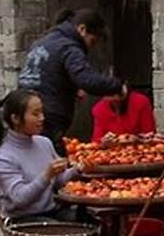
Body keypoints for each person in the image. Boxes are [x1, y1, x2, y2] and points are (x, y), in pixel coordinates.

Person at [18, 8, 123, 155]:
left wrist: (72, 87)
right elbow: (87, 79)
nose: (90, 48)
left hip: (24, 109)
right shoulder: (69, 47)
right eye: (92, 42)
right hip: (47, 115)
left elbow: (49, 74)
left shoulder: (42, 42)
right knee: (52, 162)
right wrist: (117, 86)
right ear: (82, 29)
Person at [0, 89, 84, 223]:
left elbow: (58, 181)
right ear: (16, 119)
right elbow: (19, 198)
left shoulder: (44, 143)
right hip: (23, 219)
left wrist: (78, 169)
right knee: (64, 233)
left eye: (42, 112)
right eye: (35, 114)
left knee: (92, 220)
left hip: (52, 212)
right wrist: (46, 175)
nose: (42, 118)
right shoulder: (5, 157)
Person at [91, 80, 156, 143]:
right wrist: (104, 141)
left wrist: (137, 139)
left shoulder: (141, 102)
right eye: (112, 100)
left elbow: (150, 134)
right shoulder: (99, 109)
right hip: (111, 150)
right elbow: (97, 140)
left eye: (119, 100)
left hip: (139, 148)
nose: (116, 103)